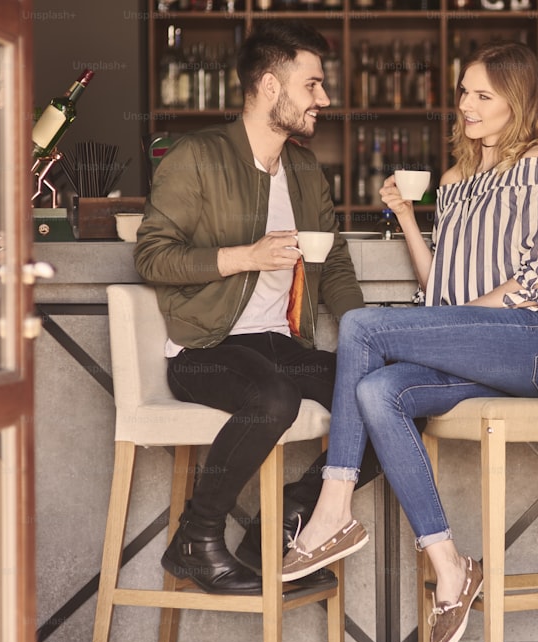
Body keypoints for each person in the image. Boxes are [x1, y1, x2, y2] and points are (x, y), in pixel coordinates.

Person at [280, 40, 538, 642]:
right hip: (482, 347)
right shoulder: (454, 180)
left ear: (515, 103)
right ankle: (451, 566)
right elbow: (437, 286)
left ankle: (332, 507)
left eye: (482, 95)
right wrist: (408, 217)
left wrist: (450, 323)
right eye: (464, 91)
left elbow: (537, 279)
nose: (465, 105)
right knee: (377, 390)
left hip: (536, 344)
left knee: (362, 326)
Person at [133, 20, 381, 595]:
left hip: (281, 345)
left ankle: (288, 521)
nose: (324, 98)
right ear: (271, 87)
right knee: (275, 398)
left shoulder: (305, 170)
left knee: (396, 394)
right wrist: (245, 257)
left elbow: (335, 262)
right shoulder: (197, 157)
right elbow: (151, 256)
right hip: (206, 348)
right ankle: (197, 538)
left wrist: (365, 335)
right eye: (313, 85)